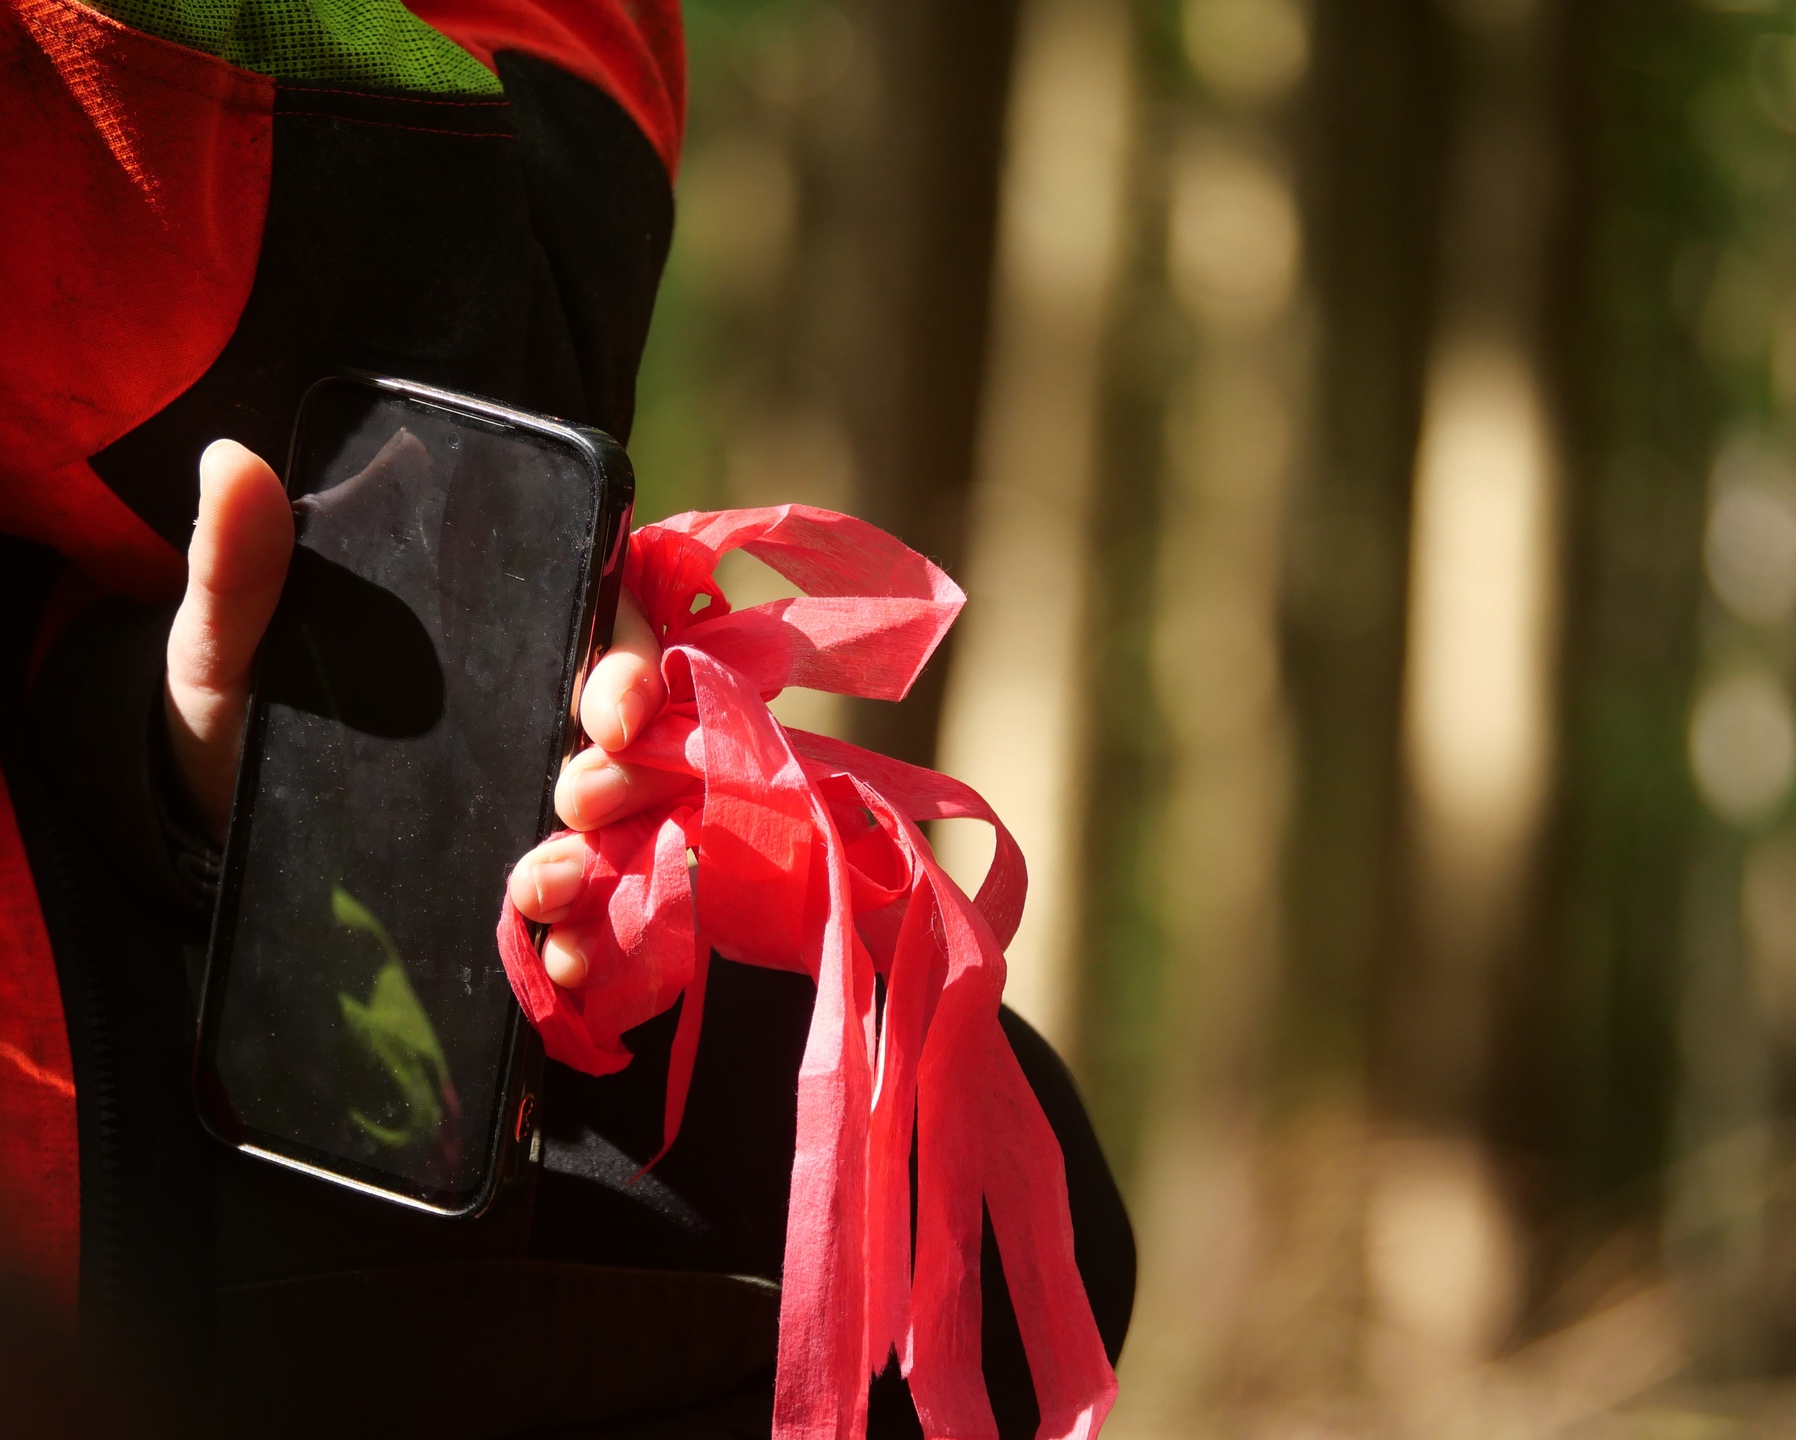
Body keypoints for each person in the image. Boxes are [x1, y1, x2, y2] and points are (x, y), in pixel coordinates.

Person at [1, 2, 1132, 1434]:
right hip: (113, 1172)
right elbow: (456, 266)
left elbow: (533, 169)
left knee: (962, 1165)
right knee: (957, 1207)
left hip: (126, 973)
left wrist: (153, 751)